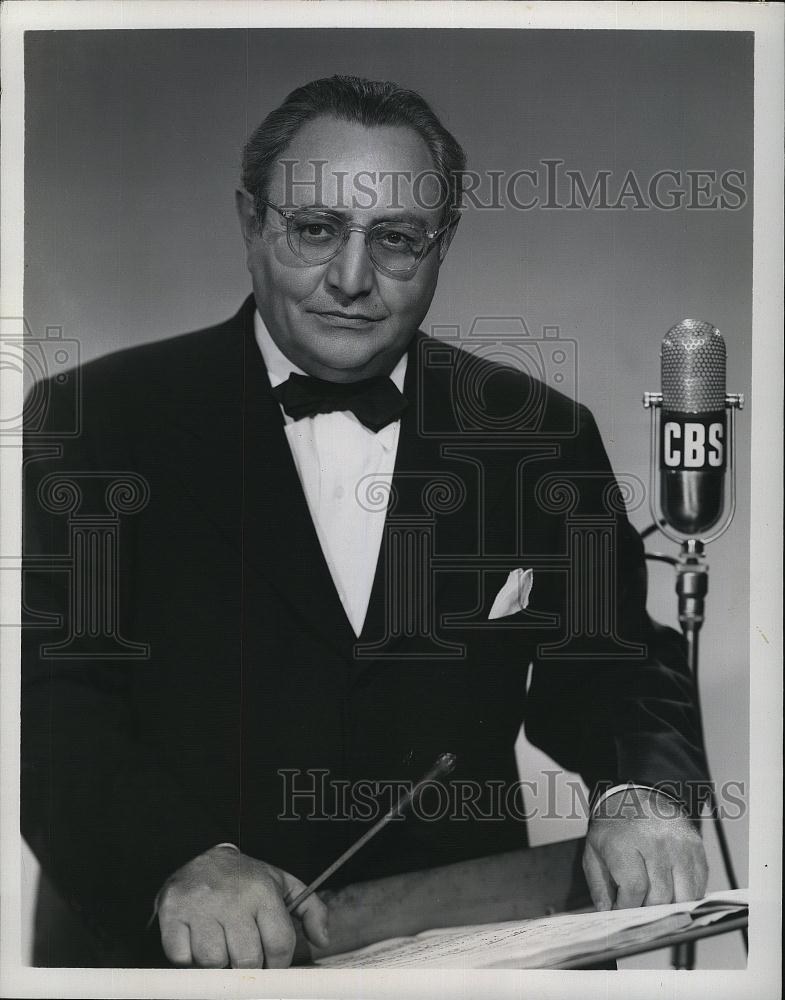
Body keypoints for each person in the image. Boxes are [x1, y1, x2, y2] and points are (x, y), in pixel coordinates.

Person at [22, 75, 708, 969]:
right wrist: (174, 862)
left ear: (443, 244)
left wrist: (640, 793)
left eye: (395, 240)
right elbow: (47, 703)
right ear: (249, 222)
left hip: (464, 950)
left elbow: (616, 666)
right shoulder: (96, 417)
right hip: (164, 957)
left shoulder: (539, 434)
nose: (350, 280)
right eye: (314, 230)